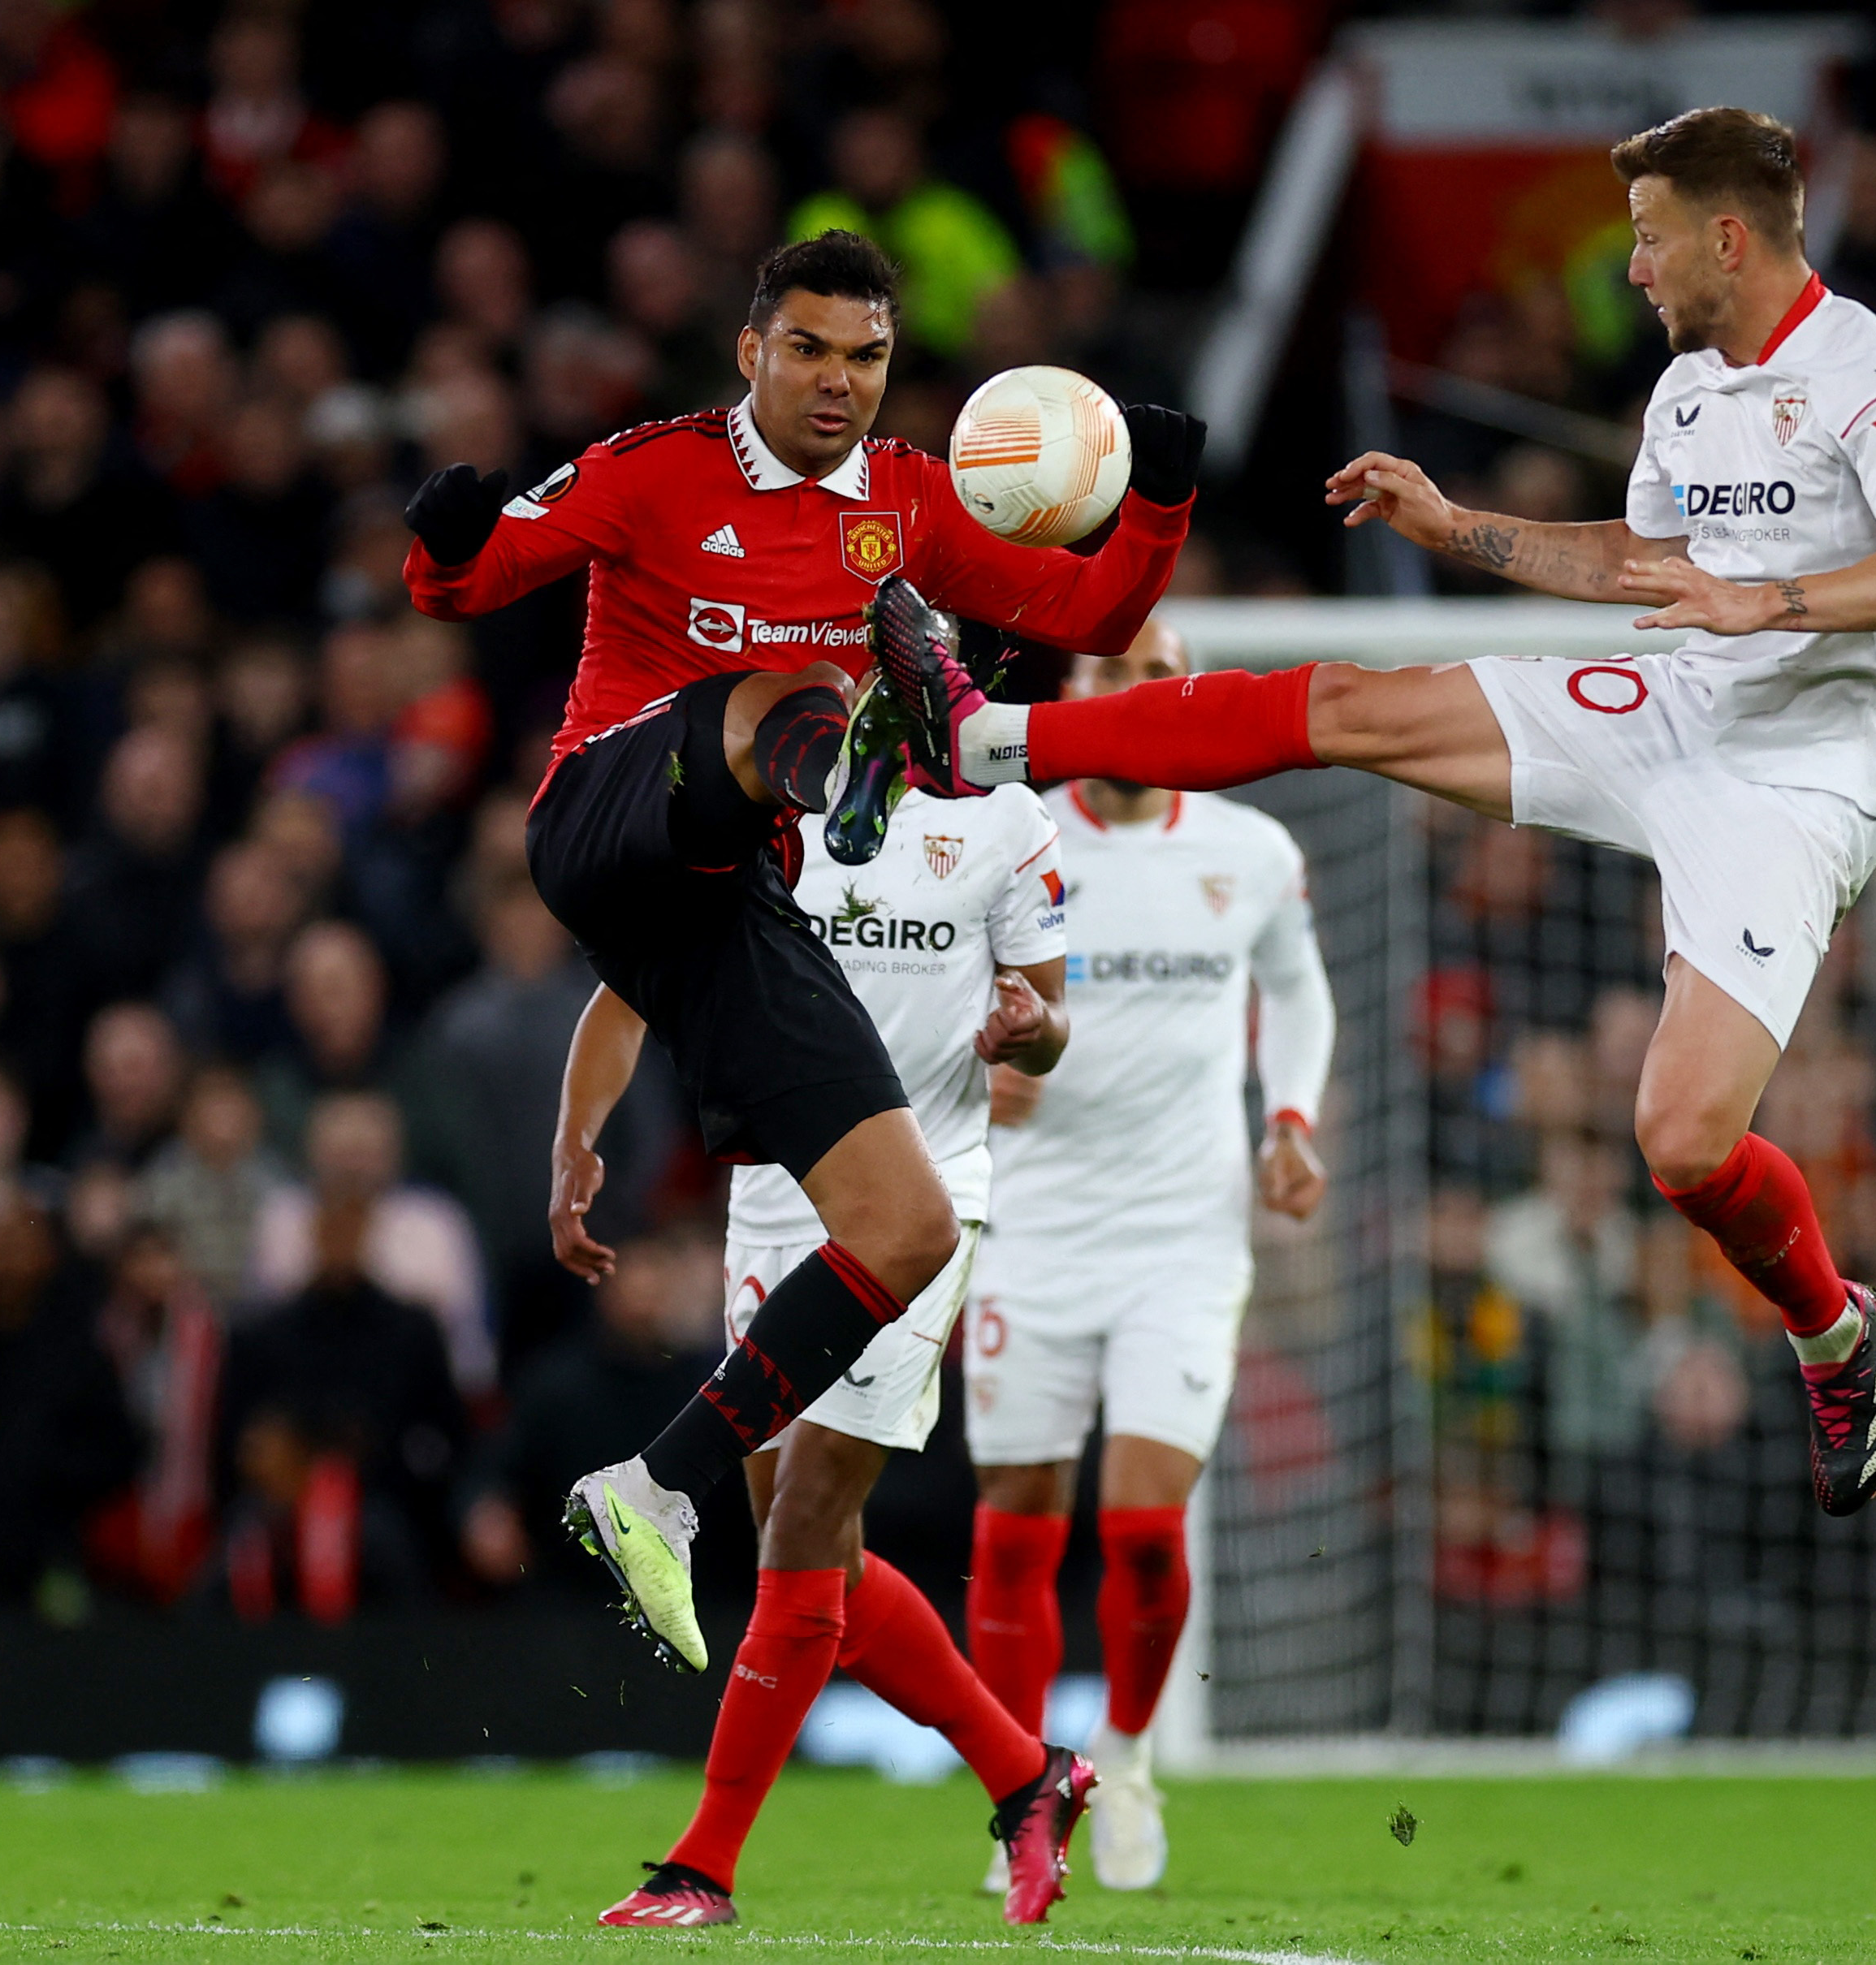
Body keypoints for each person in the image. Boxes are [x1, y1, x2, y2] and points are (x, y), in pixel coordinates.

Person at [877, 107, 1876, 1517]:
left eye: (1647, 241)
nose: (1632, 272)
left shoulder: (1873, 372)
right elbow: (1644, 562)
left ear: (1725, 235)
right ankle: (990, 738)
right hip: (1680, 705)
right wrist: (1455, 528)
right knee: (1349, 706)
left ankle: (1835, 1332)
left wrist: (1764, 600)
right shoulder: (1690, 390)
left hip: (1800, 777)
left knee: (1684, 1142)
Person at [401, 229, 1199, 1690]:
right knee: (783, 692)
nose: (842, 382)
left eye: (870, 357)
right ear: (751, 352)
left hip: (727, 899)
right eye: (813, 349)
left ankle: (654, 1487)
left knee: (906, 1232)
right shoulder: (651, 468)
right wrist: (447, 541)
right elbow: (469, 585)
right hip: (605, 811)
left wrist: (1154, 498)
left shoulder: (910, 500)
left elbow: (1094, 615)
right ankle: (856, 771)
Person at [551, 763, 1087, 1927]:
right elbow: (631, 989)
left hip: (918, 1206)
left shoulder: (1003, 820)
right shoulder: (767, 806)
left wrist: (1025, 1024)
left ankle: (702, 1867)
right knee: (820, 1566)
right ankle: (1027, 1775)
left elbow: (1048, 1023)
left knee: (801, 1526)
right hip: (775, 1202)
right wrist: (575, 1140)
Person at [962, 620, 1333, 1894]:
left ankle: (1121, 1761)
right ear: (1067, 693)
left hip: (1185, 1230)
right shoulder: (1009, 837)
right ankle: (1021, 1796)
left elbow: (1298, 989)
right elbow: (927, 990)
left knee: (1139, 1521)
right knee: (1015, 1524)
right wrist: (971, 1058)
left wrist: (1290, 1119)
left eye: (1157, 676)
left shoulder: (1251, 849)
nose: (1136, 692)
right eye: (1112, 673)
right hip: (1031, 1223)